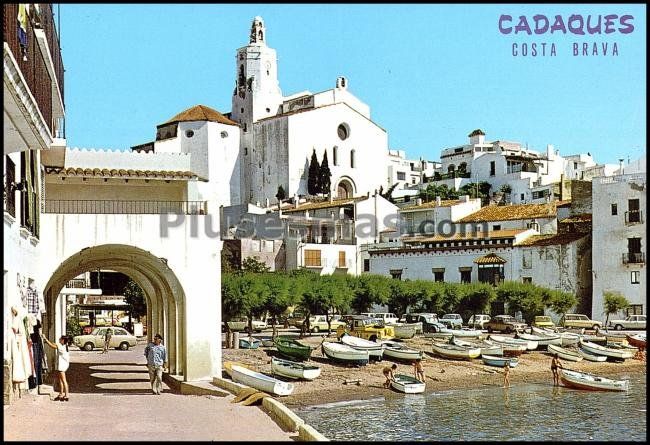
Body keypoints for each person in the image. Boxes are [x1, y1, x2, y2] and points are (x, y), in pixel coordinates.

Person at [42, 334, 70, 401]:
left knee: (63, 380)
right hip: (63, 365)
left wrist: (45, 339)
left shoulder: (61, 346)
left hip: (62, 366)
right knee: (60, 380)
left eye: (60, 338)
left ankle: (66, 395)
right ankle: (61, 394)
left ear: (63, 340)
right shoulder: (65, 346)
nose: (59, 339)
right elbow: (54, 344)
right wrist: (47, 341)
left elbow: (53, 346)